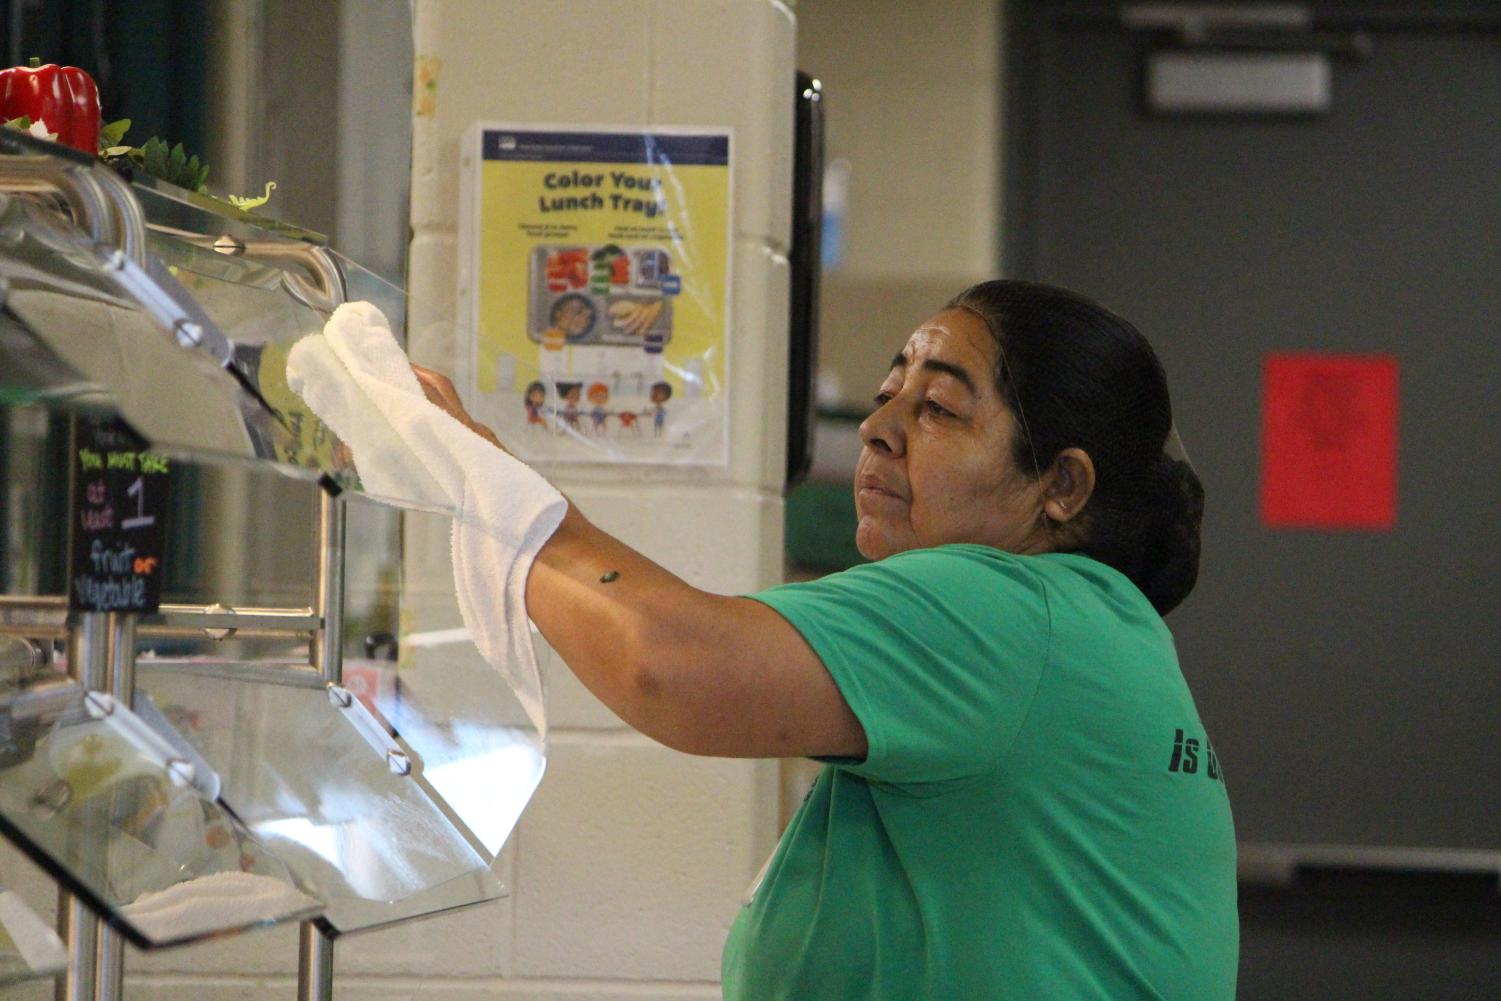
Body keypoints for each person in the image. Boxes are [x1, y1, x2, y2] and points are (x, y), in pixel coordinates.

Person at [413, 279, 1237, 1000]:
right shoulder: (1086, 625)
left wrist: (477, 480)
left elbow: (669, 665)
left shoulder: (1008, 609)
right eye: (889, 390)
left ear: (1059, 485)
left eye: (939, 408)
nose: (879, 426)